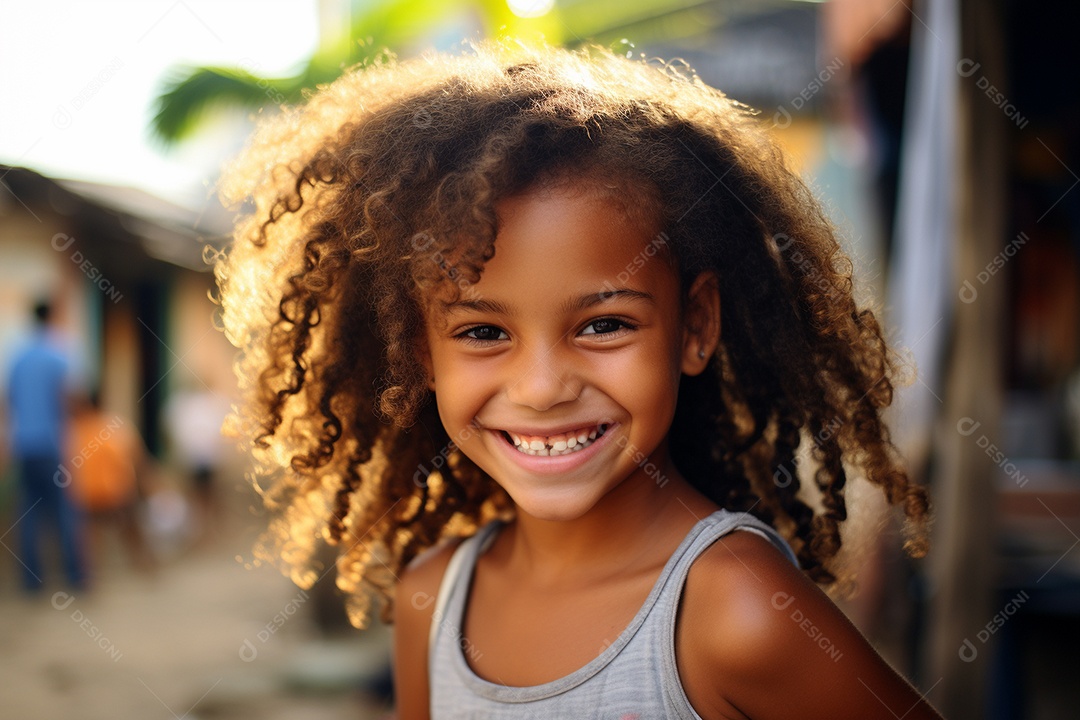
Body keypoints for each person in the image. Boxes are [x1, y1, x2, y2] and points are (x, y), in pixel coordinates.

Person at [216, 43, 942, 719]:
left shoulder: (735, 610)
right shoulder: (428, 601)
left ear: (694, 326)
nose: (541, 387)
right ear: (420, 353)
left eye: (603, 325)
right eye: (482, 333)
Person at [6, 300, 85, 592]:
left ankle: (31, 582)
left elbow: (9, 401)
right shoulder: (58, 354)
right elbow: (70, 398)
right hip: (52, 445)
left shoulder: (18, 358)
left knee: (28, 513)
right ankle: (75, 577)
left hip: (24, 446)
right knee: (63, 511)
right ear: (53, 316)